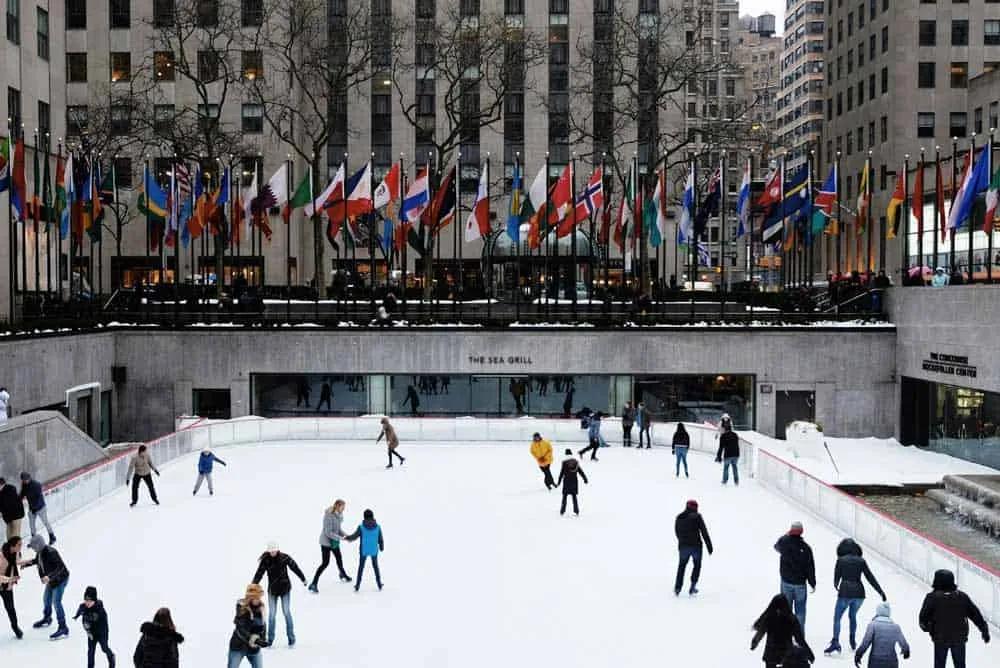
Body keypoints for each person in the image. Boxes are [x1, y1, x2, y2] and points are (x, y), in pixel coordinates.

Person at [918, 568, 990, 668]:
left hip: (940, 638)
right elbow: (975, 615)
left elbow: (923, 619)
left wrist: (930, 629)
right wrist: (984, 630)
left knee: (939, 665)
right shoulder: (962, 597)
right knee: (960, 665)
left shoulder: (932, 598)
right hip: (958, 638)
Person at [825, 538, 887, 654]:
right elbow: (870, 578)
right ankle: (852, 640)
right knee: (852, 616)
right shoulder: (861, 561)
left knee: (837, 618)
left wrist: (836, 585)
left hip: (845, 592)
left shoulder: (841, 560)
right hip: (859, 593)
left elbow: (836, 578)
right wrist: (881, 592)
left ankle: (835, 642)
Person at [252, 542, 306, 647]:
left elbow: (295, 567)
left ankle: (291, 638)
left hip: (285, 589)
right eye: (271, 551)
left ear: (277, 550)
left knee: (286, 612)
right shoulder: (265, 560)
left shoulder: (284, 558)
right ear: (268, 551)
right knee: (272, 615)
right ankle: (270, 640)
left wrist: (303, 578)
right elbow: (259, 573)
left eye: (274, 550)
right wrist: (254, 585)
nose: (272, 552)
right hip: (272, 591)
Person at [23, 533, 70, 639]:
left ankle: (63, 628)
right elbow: (37, 561)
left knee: (56, 602)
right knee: (46, 599)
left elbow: (60, 567)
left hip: (60, 580)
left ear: (38, 545)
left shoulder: (51, 552)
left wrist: (49, 577)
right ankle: (47, 618)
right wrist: (25, 564)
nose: (33, 549)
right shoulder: (40, 552)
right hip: (52, 580)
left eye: (33, 546)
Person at [751, 593, 814, 668]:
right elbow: (799, 639)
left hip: (771, 652)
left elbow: (761, 632)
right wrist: (809, 653)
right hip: (786, 653)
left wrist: (754, 642)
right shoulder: (791, 619)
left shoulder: (769, 616)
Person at [775, 521, 816, 633]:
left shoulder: (784, 543)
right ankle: (799, 636)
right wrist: (812, 583)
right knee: (800, 612)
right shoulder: (806, 548)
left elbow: (776, 546)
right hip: (800, 585)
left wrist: (787, 535)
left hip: (786, 582)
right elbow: (810, 567)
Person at [308, 499, 352, 592]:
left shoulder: (339, 515)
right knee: (325, 563)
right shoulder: (328, 515)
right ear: (337, 506)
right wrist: (341, 538)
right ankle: (313, 583)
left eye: (344, 507)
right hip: (326, 543)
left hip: (334, 542)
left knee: (339, 558)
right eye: (342, 507)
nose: (343, 509)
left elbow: (338, 529)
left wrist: (346, 536)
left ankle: (342, 574)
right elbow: (328, 532)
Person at [674, 499, 713, 596]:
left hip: (683, 547)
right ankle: (692, 586)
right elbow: (704, 532)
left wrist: (681, 541)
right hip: (696, 547)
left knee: (681, 567)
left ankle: (677, 588)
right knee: (697, 566)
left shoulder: (679, 517)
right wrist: (709, 546)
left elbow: (677, 531)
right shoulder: (697, 517)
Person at [855, 602, 910, 668]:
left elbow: (865, 643)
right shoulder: (895, 627)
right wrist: (906, 651)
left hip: (875, 661)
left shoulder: (872, 625)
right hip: (892, 661)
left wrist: (859, 654)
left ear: (878, 612)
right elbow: (903, 642)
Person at [228, 584, 269, 667]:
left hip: (254, 649)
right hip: (238, 647)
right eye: (256, 597)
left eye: (259, 596)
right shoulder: (241, 608)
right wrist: (256, 640)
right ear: (250, 596)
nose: (258, 599)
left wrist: (263, 639)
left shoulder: (261, 608)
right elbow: (241, 629)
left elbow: (263, 625)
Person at [73, 586, 114, 668]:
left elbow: (94, 618)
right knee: (90, 651)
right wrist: (76, 616)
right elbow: (80, 609)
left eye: (90, 601)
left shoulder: (100, 610)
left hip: (102, 632)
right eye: (86, 600)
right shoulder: (83, 606)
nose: (87, 603)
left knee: (104, 648)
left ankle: (111, 656)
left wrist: (85, 617)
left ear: (94, 601)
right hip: (91, 632)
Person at [344, 509, 384, 592]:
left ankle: (357, 585)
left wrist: (347, 537)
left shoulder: (361, 527)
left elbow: (354, 536)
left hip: (364, 550)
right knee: (375, 567)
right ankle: (379, 584)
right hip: (374, 550)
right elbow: (380, 539)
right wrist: (381, 547)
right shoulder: (378, 527)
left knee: (361, 567)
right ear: (373, 516)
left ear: (364, 517)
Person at [19, 472, 56, 544]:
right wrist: (17, 500)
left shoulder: (36, 484)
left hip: (40, 507)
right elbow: (22, 495)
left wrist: (35, 508)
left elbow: (39, 498)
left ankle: (52, 536)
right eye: (23, 480)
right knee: (32, 525)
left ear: (29, 478)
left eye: (26, 479)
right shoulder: (24, 485)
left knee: (45, 522)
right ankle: (34, 541)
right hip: (32, 509)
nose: (25, 481)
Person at [0, 535, 23, 639]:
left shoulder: (15, 553)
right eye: (19, 545)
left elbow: (18, 562)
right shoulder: (1, 557)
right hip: (4, 582)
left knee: (10, 608)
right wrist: (10, 579)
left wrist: (33, 561)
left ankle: (15, 628)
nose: (21, 546)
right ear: (12, 546)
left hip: (7, 587)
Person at [556, 449, 589, 516]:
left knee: (564, 496)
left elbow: (561, 473)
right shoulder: (576, 462)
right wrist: (585, 479)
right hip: (574, 481)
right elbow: (580, 471)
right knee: (574, 496)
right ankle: (576, 511)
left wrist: (558, 482)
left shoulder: (564, 462)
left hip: (566, 481)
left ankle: (562, 511)